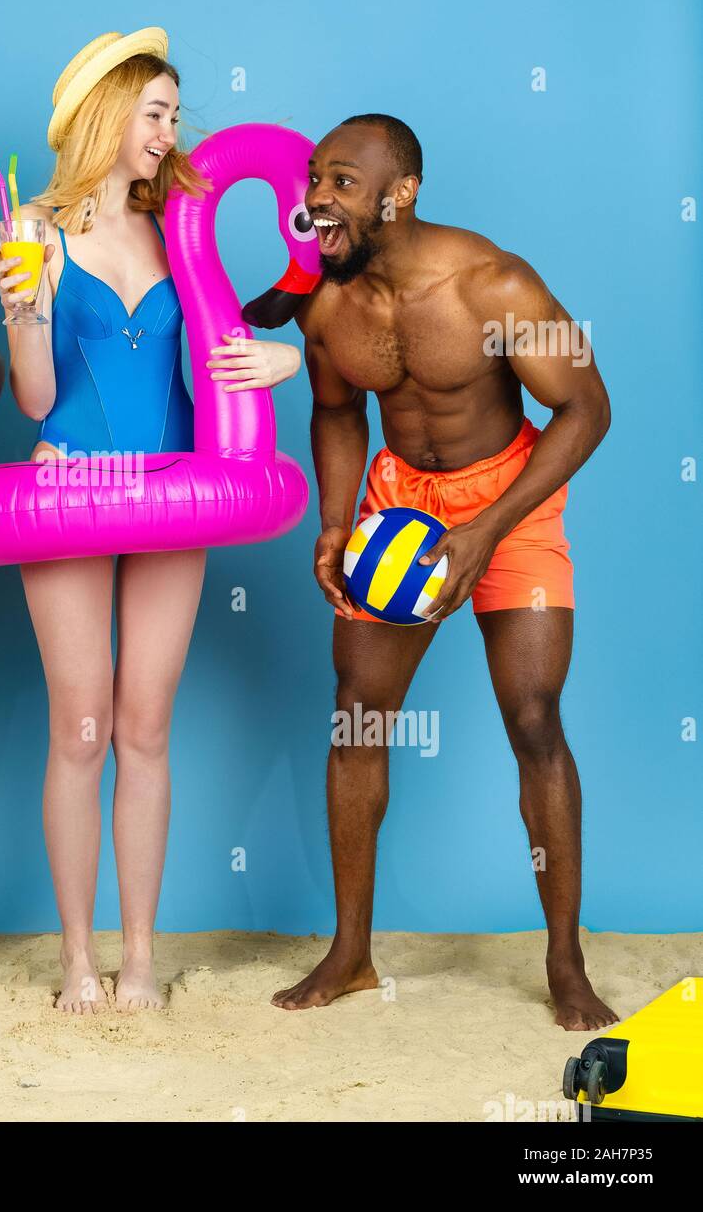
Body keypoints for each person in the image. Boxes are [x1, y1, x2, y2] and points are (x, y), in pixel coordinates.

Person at [260, 113, 616, 1031]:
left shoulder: (494, 284)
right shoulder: (329, 303)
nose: (316, 198)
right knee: (358, 714)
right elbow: (337, 414)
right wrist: (337, 526)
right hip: (400, 505)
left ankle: (565, 963)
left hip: (511, 498)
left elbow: (586, 407)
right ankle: (350, 953)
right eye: (312, 179)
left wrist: (490, 530)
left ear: (400, 192)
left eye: (340, 181)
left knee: (535, 719)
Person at [0, 29, 301, 1013]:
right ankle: (77, 961)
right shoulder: (32, 229)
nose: (168, 129)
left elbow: (233, 335)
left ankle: (136, 960)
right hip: (70, 484)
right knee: (80, 728)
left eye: (174, 111)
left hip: (177, 489)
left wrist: (290, 360)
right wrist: (25, 316)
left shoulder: (184, 225)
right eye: (153, 110)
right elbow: (36, 400)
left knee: (145, 723)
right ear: (103, 115)